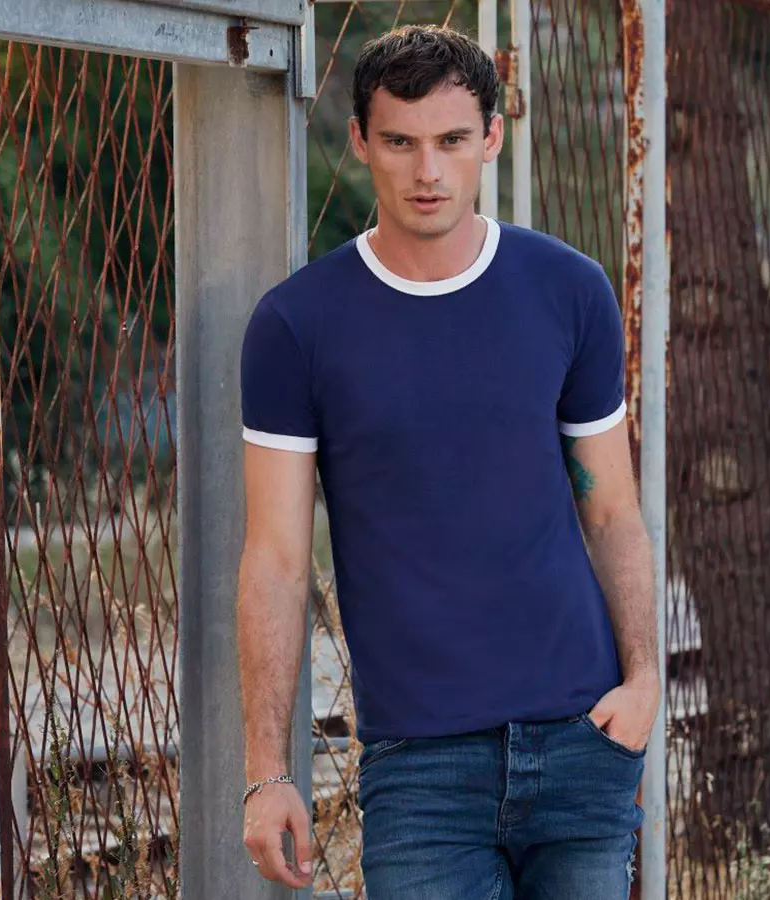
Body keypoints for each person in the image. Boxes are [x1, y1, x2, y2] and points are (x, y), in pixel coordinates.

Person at [237, 24, 660, 899]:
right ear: (361, 141)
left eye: (452, 140)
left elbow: (611, 509)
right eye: (400, 142)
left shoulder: (569, 292)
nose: (427, 170)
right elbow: (275, 558)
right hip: (421, 769)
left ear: (491, 138)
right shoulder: (296, 327)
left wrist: (646, 679)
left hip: (583, 743)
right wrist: (267, 772)